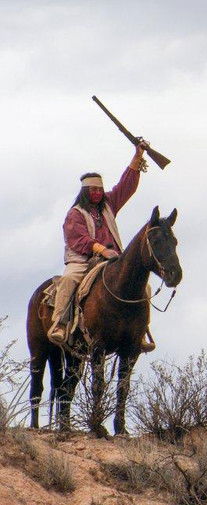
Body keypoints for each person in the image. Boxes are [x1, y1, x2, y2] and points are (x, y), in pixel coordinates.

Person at [49, 140, 154, 351]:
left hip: (111, 259)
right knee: (69, 280)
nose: (98, 193)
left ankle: (141, 332)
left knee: (146, 287)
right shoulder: (75, 213)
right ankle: (59, 324)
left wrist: (137, 156)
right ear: (85, 192)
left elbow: (126, 186)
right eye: (93, 190)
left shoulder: (108, 204)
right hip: (83, 260)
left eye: (100, 189)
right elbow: (79, 240)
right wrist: (101, 249)